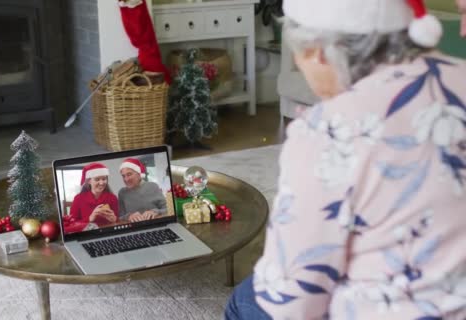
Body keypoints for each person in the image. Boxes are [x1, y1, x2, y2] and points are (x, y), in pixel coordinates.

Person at [225, 0, 466, 319]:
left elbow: (291, 299)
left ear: (317, 52)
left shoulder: (327, 131)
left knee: (244, 301)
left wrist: (319, 136)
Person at [68, 163, 118, 228]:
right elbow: (72, 224)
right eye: (97, 179)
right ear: (89, 181)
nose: (101, 183)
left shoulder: (113, 198)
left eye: (104, 179)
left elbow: (118, 220)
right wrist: (90, 218)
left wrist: (115, 219)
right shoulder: (78, 198)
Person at [117, 158, 167, 222]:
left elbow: (167, 209)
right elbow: (120, 217)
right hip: (134, 228)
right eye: (123, 176)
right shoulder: (122, 193)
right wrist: (128, 216)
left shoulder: (152, 186)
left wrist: (155, 211)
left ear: (139, 174)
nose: (126, 179)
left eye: (129, 174)